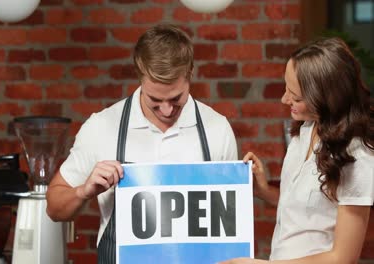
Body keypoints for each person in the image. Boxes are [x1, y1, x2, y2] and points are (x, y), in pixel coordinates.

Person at [46, 24, 238, 263]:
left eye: (176, 98)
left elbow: (230, 226)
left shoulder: (217, 130)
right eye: (155, 100)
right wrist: (84, 191)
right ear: (140, 77)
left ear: (189, 74)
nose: (167, 110)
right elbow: (54, 208)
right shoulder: (102, 127)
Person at [221, 37, 373, 264]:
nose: (284, 99)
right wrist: (263, 191)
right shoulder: (305, 131)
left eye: (296, 97)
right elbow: (309, 211)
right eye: (286, 88)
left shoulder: (356, 156)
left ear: (326, 98)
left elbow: (343, 257)